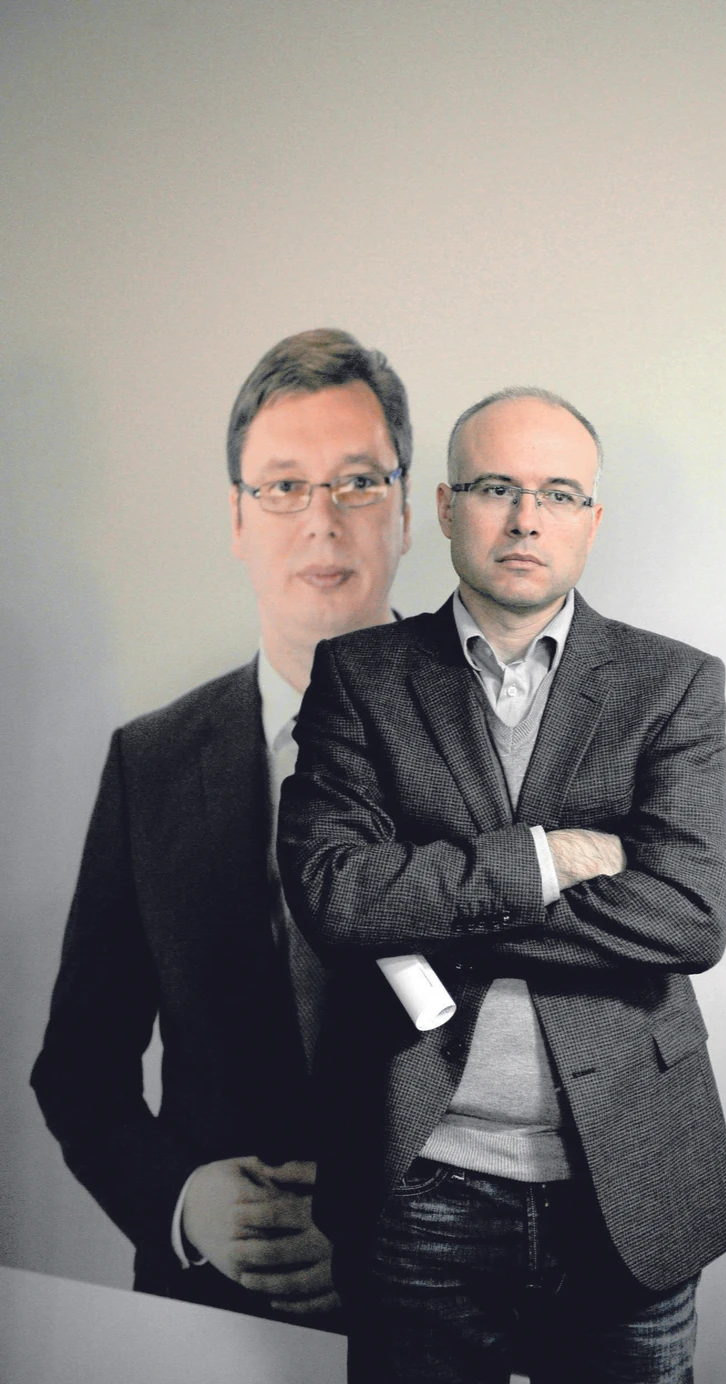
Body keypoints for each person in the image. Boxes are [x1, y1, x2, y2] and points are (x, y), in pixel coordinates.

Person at [278, 386, 726, 1382]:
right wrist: (553, 858)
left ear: (591, 519)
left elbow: (691, 915)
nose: (527, 517)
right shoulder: (359, 677)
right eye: (496, 487)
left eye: (558, 493)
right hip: (420, 1182)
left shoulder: (672, 684)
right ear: (447, 508)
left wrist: (423, 899)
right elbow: (331, 896)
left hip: (628, 1176)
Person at [31, 328, 413, 1325]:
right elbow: (78, 1071)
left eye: (357, 482)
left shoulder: (514, 752)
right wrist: (185, 1203)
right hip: (209, 1320)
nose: (321, 520)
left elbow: (557, 1082)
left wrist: (383, 1222)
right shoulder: (150, 763)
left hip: (443, 1316)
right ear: (238, 520)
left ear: (408, 512)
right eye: (283, 486)